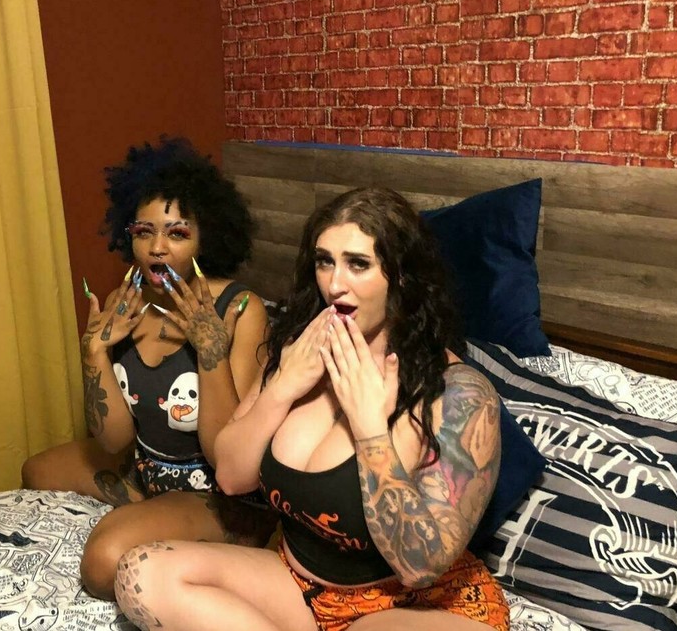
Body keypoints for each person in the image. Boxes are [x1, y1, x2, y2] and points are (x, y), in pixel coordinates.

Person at [113, 187, 510, 631]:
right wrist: (283, 388)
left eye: (358, 264)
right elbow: (231, 477)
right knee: (140, 574)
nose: (334, 284)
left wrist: (370, 430)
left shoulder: (459, 394)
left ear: (402, 276)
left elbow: (420, 566)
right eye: (324, 261)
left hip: (414, 606)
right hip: (298, 588)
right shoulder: (298, 349)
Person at [21, 137, 276, 599]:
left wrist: (210, 350)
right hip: (146, 470)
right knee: (36, 471)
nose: (158, 247)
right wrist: (94, 353)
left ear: (206, 238)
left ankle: (228, 541)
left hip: (217, 492)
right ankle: (153, 507)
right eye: (144, 232)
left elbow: (226, 459)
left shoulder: (240, 309)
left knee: (102, 564)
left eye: (177, 234)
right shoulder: (126, 302)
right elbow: (114, 441)